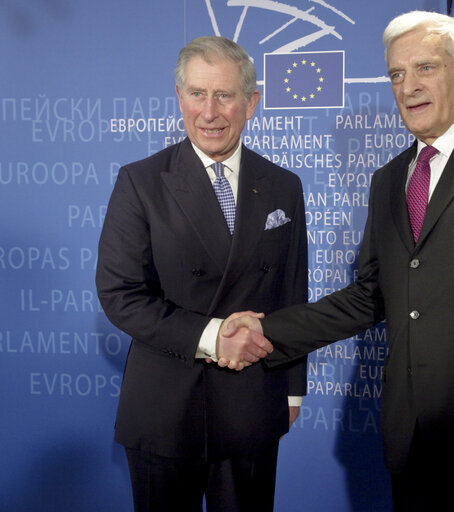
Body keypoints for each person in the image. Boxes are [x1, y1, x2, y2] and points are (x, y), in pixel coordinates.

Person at [224, 10, 454, 511]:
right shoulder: (389, 179)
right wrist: (270, 332)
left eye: (426, 68)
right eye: (397, 74)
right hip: (409, 435)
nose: (408, 86)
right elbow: (369, 295)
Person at [95, 36, 306, 511]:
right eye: (196, 94)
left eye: (224, 96)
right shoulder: (141, 181)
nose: (208, 112)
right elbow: (120, 294)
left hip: (252, 401)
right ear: (179, 97)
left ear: (251, 103)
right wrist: (213, 336)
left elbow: (293, 292)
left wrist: (293, 387)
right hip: (164, 409)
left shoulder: (284, 186)